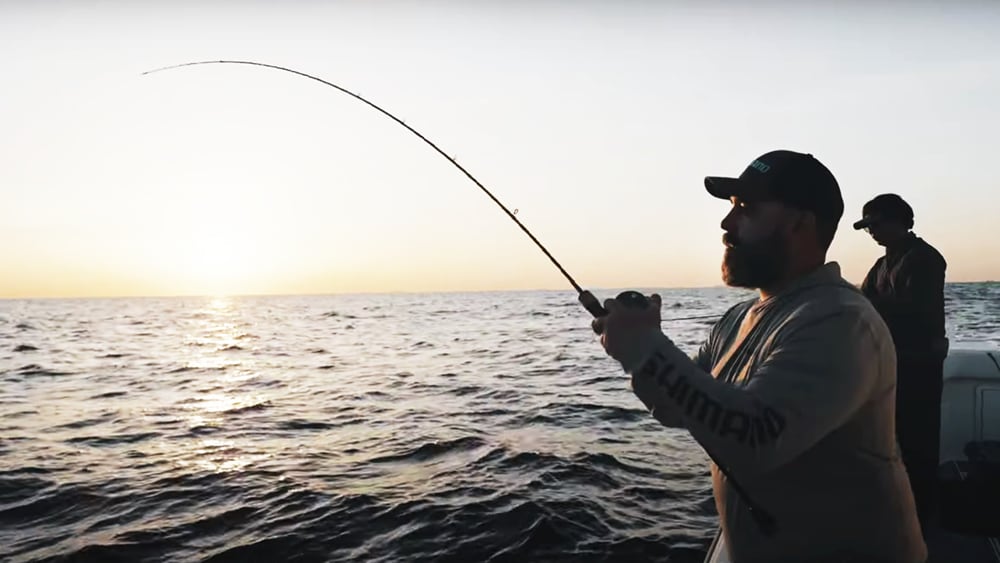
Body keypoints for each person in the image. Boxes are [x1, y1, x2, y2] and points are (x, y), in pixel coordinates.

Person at [596, 150, 926, 562]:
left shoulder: (842, 320)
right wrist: (641, 345)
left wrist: (646, 349)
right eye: (732, 208)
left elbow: (754, 438)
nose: (726, 224)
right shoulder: (737, 319)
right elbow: (678, 408)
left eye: (746, 209)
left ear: (800, 224)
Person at [853, 193, 948, 537]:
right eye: (868, 228)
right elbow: (866, 301)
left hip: (919, 366)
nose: (873, 233)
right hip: (893, 364)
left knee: (918, 443)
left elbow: (911, 311)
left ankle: (920, 522)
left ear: (901, 221)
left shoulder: (925, 259)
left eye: (876, 225)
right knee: (892, 441)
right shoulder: (882, 264)